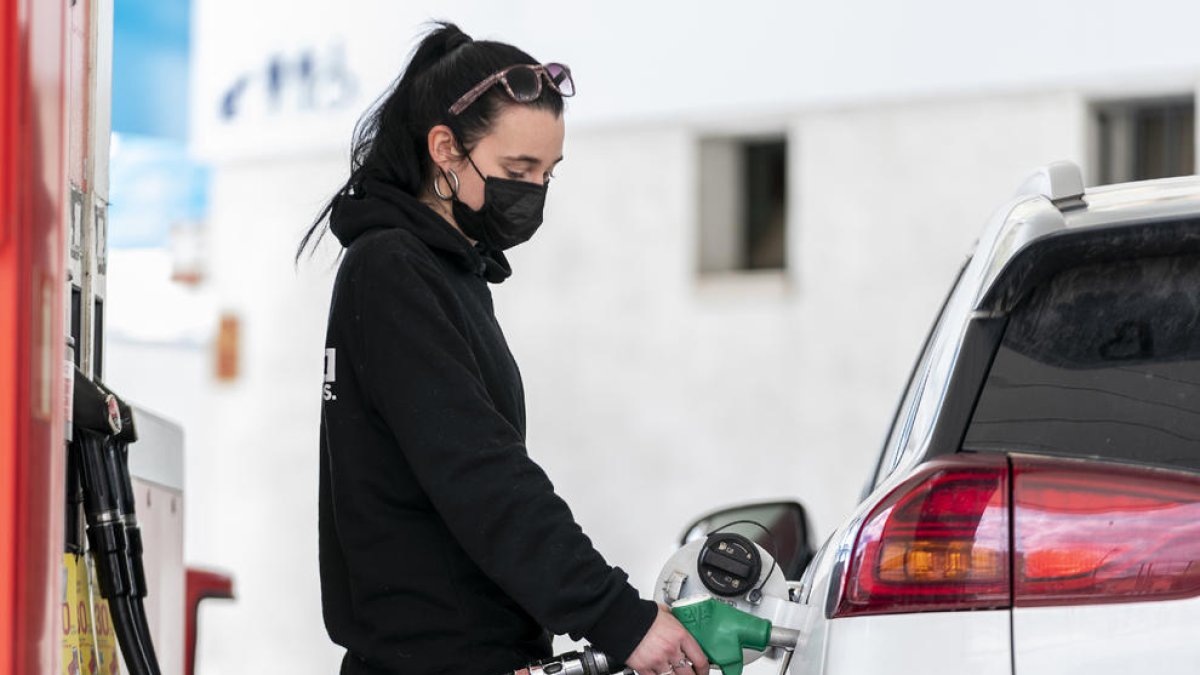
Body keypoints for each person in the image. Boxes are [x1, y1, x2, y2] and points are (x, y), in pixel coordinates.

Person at [296, 22, 710, 675]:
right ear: (445, 149)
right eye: (518, 169)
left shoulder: (451, 274)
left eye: (548, 172)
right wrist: (618, 616)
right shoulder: (392, 271)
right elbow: (480, 474)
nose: (535, 192)